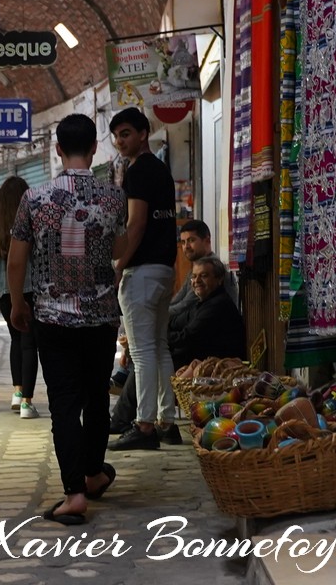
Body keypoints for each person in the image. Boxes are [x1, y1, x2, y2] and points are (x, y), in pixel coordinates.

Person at [8, 114, 125, 525]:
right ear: (95, 149)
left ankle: (75, 493)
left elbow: (16, 258)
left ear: (57, 149)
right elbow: (118, 247)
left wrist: (19, 304)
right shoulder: (114, 198)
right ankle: (93, 473)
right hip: (101, 315)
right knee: (96, 397)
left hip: (53, 317)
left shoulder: (34, 199)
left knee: (63, 405)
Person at [109, 219, 238, 435]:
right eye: (184, 241)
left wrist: (157, 322)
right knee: (150, 352)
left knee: (148, 354)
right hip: (192, 339)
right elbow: (178, 305)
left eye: (192, 241)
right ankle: (156, 419)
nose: (187, 246)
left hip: (207, 354)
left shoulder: (215, 294)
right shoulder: (195, 271)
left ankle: (131, 420)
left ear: (207, 240)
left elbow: (188, 319)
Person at [106, 107, 179, 452]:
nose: (120, 141)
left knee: (142, 351)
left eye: (126, 134)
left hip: (143, 270)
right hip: (165, 269)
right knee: (160, 347)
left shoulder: (136, 172)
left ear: (143, 132)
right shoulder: (162, 170)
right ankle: (167, 421)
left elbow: (136, 225)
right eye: (117, 135)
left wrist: (119, 264)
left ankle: (144, 425)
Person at [0, 176, 40, 419]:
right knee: (30, 344)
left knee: (16, 340)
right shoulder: (32, 216)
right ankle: (27, 402)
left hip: (5, 291)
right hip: (30, 287)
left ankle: (18, 393)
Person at [169, 255, 247, 368]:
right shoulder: (205, 302)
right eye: (194, 276)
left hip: (218, 371)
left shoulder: (218, 305)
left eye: (203, 276)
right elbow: (178, 321)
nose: (197, 281)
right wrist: (163, 326)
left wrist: (161, 335)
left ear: (219, 279)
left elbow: (185, 338)